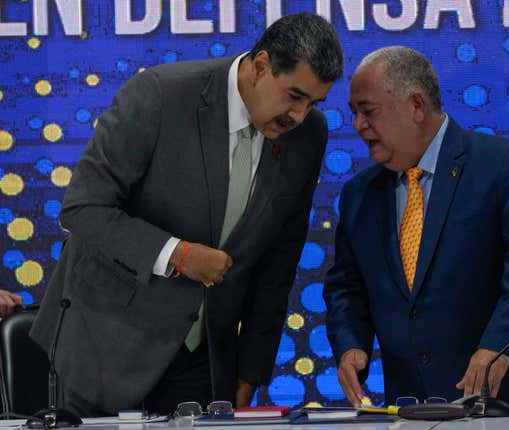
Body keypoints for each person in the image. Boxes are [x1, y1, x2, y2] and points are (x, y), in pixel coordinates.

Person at [30, 12, 343, 417]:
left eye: (313, 103)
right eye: (294, 96)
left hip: (204, 360)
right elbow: (83, 208)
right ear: (260, 66)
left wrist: (251, 370)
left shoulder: (309, 135)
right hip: (104, 344)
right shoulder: (159, 95)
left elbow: (279, 259)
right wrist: (177, 255)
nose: (299, 116)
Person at [324, 46, 509, 407]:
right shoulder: (359, 194)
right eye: (354, 113)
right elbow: (345, 286)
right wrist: (351, 343)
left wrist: (499, 344)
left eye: (368, 111)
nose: (357, 125)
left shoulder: (504, 165)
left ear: (416, 105)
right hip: (409, 407)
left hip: (505, 402)